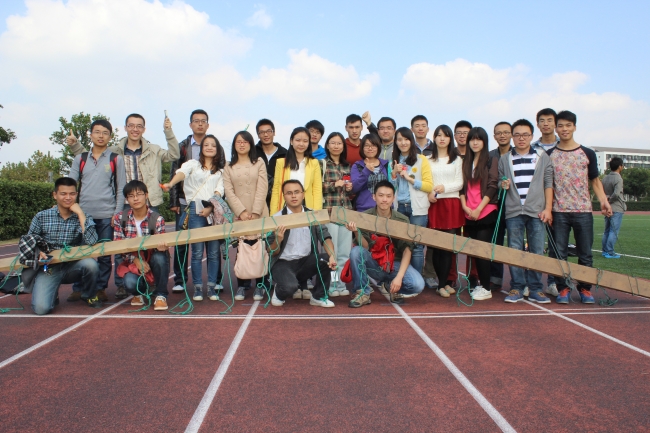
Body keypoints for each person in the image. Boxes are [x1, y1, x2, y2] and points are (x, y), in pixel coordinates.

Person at [68, 113, 180, 300]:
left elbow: (174, 154)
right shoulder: (115, 150)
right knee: (121, 246)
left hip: (149, 202)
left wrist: (168, 131)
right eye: (131, 125)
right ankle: (122, 284)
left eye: (139, 126)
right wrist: (75, 146)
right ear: (126, 128)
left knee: (156, 247)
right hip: (124, 203)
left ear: (144, 129)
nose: (135, 129)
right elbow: (94, 156)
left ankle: (155, 282)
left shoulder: (153, 149)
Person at [547, 110, 612, 304]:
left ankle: (585, 289)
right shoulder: (550, 155)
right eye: (561, 125)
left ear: (574, 127)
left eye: (568, 125)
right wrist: (548, 208)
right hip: (559, 212)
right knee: (558, 253)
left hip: (583, 211)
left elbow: (595, 180)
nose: (564, 129)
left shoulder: (587, 153)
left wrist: (603, 200)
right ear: (556, 128)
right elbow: (547, 184)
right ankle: (563, 288)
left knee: (585, 253)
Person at [68, 119, 126, 303]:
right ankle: (78, 288)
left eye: (105, 133)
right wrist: (70, 209)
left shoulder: (115, 159)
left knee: (104, 255)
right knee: (79, 253)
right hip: (82, 215)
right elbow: (70, 186)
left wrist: (116, 213)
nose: (101, 136)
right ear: (90, 134)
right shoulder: (80, 159)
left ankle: (100, 288)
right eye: (97, 132)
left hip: (107, 214)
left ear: (110, 136)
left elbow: (121, 188)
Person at [169, 109, 226, 294]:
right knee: (196, 251)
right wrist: (170, 184)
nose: (209, 147)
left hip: (212, 210)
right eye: (206, 145)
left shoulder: (220, 170)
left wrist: (210, 207)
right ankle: (197, 287)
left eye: (213, 145)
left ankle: (212, 286)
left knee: (213, 251)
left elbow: (220, 190)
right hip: (193, 209)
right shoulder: (192, 162)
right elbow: (180, 172)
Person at [345, 181, 425, 308]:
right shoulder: (365, 217)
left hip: (394, 265)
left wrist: (399, 278)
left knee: (418, 285)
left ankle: (390, 286)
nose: (384, 200)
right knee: (356, 252)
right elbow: (365, 247)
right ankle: (362, 293)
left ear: (393, 198)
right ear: (374, 197)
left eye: (388, 196)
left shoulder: (402, 219)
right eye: (381, 195)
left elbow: (407, 250)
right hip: (374, 263)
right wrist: (356, 231)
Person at [499, 119, 554, 304]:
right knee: (515, 250)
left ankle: (536, 289)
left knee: (537, 250)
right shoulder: (505, 158)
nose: (521, 138)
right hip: (514, 211)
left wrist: (548, 208)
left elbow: (548, 183)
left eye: (525, 135)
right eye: (517, 135)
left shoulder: (542, 156)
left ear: (531, 136)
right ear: (512, 137)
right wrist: (502, 184)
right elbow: (500, 180)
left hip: (537, 211)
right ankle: (517, 286)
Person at [29, 177, 101, 314]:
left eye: (72, 194)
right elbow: (30, 241)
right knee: (41, 309)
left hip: (73, 265)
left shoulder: (84, 216)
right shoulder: (41, 216)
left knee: (91, 265)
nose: (68, 197)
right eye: (63, 194)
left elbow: (92, 241)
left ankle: (89, 295)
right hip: (49, 267)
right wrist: (38, 252)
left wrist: (80, 213)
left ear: (76, 195)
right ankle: (52, 292)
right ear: (55, 195)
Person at [268, 180, 338, 308]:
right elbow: (271, 251)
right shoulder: (276, 218)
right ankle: (279, 291)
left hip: (305, 262)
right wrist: (278, 239)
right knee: (290, 287)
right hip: (283, 263)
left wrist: (332, 255)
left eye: (297, 192)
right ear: (284, 196)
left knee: (326, 259)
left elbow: (325, 236)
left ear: (303, 194)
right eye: (289, 193)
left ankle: (318, 297)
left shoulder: (313, 215)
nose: (293, 196)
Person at [223, 130, 270, 301]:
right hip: (239, 216)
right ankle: (242, 285)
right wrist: (241, 212)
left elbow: (263, 187)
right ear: (234, 145)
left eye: (245, 141)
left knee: (260, 248)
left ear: (251, 144)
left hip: (259, 212)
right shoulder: (228, 167)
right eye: (238, 141)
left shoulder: (259, 163)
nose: (242, 144)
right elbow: (228, 191)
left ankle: (261, 285)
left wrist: (256, 212)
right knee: (242, 248)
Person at [112, 180, 170, 310]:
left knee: (160, 257)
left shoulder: (157, 219)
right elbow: (118, 246)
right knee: (129, 283)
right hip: (133, 261)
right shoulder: (120, 218)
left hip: (152, 258)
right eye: (131, 196)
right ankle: (139, 293)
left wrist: (163, 247)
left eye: (139, 194)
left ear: (146, 195)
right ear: (127, 199)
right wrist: (136, 260)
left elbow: (162, 242)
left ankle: (161, 295)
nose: (135, 198)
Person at [459, 127, 499, 301]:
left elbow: (492, 185)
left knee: (483, 251)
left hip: (485, 211)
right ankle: (480, 285)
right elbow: (461, 187)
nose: (475, 143)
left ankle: (486, 288)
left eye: (479, 139)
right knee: (474, 251)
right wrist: (465, 206)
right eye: (472, 139)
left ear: (484, 141)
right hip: (469, 212)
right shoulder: (465, 162)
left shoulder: (491, 160)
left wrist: (479, 209)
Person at [426, 125, 464, 297]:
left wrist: (444, 188)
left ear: (450, 139)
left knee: (448, 247)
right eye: (439, 135)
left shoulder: (456, 159)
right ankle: (441, 284)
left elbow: (459, 183)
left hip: (451, 205)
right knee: (436, 246)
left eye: (446, 135)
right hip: (434, 205)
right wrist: (430, 193)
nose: (442, 139)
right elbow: (425, 181)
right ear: (434, 138)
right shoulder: (428, 160)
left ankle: (444, 283)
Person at [390, 127, 433, 273]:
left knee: (417, 247)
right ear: (396, 142)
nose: (403, 143)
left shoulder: (421, 160)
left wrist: (410, 179)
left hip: (417, 208)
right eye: (399, 139)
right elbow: (389, 189)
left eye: (406, 139)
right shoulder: (394, 162)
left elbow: (429, 186)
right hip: (399, 207)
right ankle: (402, 278)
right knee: (400, 245)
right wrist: (394, 173)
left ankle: (417, 280)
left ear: (412, 141)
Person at [321, 132, 355, 297]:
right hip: (329, 212)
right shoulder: (322, 164)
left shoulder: (347, 166)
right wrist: (334, 184)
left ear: (343, 146)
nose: (336, 146)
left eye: (339, 143)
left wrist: (349, 188)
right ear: (327, 145)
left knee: (344, 252)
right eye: (333, 143)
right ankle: (331, 284)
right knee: (332, 253)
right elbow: (317, 187)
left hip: (345, 212)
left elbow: (351, 191)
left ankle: (340, 284)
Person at [531, 108, 560, 296]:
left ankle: (554, 282)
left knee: (557, 245)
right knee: (536, 245)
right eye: (542, 120)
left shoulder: (563, 145)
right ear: (538, 124)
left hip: (562, 203)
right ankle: (532, 282)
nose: (546, 124)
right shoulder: (532, 148)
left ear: (555, 123)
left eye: (550, 120)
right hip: (538, 203)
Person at [270, 126, 323, 215]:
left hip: (308, 209)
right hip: (285, 209)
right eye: (298, 140)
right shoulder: (281, 163)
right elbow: (276, 189)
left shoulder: (314, 163)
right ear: (291, 141)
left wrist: (317, 214)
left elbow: (317, 190)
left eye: (305, 141)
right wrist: (273, 214)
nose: (301, 144)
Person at [487, 121, 513, 292]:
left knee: (515, 243)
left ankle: (519, 281)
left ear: (511, 134)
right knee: (495, 240)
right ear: (494, 136)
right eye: (499, 133)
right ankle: (495, 278)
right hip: (494, 204)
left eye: (506, 132)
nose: (502, 135)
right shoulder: (489, 156)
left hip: (515, 206)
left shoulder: (518, 154)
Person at [351, 134, 391, 212]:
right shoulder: (357, 165)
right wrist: (366, 171)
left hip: (385, 210)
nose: (370, 148)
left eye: (373, 145)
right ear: (362, 148)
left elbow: (393, 186)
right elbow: (354, 188)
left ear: (378, 147)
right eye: (367, 145)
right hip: (364, 209)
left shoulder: (386, 164)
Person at [255, 118, 288, 208]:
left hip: (279, 200)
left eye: (269, 131)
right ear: (258, 135)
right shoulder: (252, 153)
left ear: (274, 133)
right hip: (257, 200)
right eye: (262, 132)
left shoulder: (285, 153)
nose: (266, 135)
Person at [601, 157, 626, 259]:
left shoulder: (605, 178)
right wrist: (610, 200)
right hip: (616, 207)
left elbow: (602, 193)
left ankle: (605, 250)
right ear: (620, 166)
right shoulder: (618, 178)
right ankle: (610, 252)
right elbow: (616, 193)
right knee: (613, 231)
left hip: (607, 208)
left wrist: (606, 201)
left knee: (607, 230)